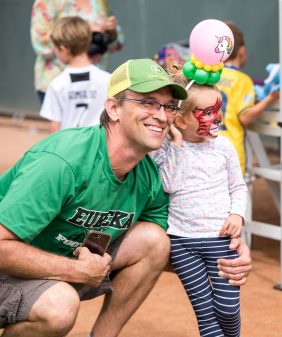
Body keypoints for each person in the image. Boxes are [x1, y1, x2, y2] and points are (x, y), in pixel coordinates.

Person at [0, 58, 251, 337]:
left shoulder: (148, 175)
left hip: (65, 266)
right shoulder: (62, 162)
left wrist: (226, 254)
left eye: (167, 106)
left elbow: (168, 251)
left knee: (155, 241)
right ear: (114, 108)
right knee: (59, 307)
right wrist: (75, 271)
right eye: (147, 102)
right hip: (9, 271)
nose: (160, 115)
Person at [152, 63, 247, 337]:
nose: (215, 118)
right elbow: (169, 185)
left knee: (227, 309)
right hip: (183, 244)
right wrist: (177, 144)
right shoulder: (168, 149)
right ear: (180, 120)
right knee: (206, 315)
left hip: (221, 239)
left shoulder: (224, 146)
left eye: (217, 109)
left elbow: (238, 187)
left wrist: (237, 215)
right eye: (206, 113)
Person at [216, 21, 279, 175]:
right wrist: (269, 99)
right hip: (232, 150)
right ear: (242, 50)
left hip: (210, 146)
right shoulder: (242, 79)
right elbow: (245, 117)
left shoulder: (212, 75)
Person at [31, 0, 124, 103]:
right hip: (59, 81)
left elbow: (116, 44)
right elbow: (40, 44)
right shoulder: (48, 2)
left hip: (94, 83)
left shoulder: (99, 2)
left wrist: (111, 33)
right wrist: (84, 29)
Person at [39, 16, 110, 133]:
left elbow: (55, 128)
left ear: (63, 48)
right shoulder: (107, 80)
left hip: (69, 148)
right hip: (99, 147)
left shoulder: (57, 84)